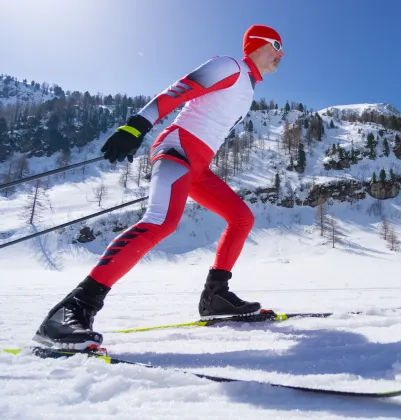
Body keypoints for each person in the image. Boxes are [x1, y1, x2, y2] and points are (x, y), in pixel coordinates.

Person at [34, 24, 284, 350]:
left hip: (198, 165)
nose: (281, 54)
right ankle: (72, 309)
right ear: (256, 44)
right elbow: (182, 89)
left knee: (241, 218)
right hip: (178, 151)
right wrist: (137, 125)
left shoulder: (247, 88)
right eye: (277, 45)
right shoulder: (231, 66)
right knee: (161, 221)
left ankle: (216, 297)